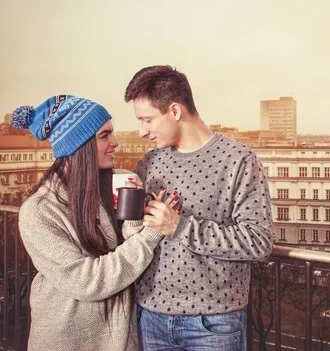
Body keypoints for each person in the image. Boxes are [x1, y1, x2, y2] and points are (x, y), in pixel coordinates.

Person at [124, 65, 273, 351]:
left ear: (175, 111)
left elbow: (259, 242)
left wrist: (179, 226)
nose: (142, 131)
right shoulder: (149, 162)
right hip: (150, 316)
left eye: (147, 120)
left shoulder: (238, 160)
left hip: (213, 324)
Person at [11, 95, 176, 351]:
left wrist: (136, 215)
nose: (115, 143)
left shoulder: (119, 183)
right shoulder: (40, 211)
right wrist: (150, 234)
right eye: (104, 136)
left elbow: (130, 244)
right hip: (68, 342)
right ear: (79, 145)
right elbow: (87, 281)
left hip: (121, 339)